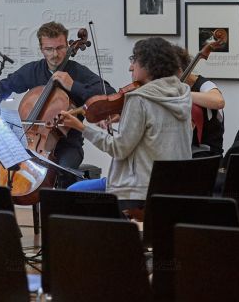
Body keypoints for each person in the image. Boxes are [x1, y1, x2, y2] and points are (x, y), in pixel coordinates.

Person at [60, 37, 192, 211]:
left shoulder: (139, 99)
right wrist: (124, 118)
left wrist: (81, 128)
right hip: (175, 186)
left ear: (149, 65)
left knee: (71, 194)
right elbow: (155, 133)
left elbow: (118, 149)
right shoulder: (182, 93)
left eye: (134, 60)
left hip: (139, 190)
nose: (131, 67)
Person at [0, 21, 114, 186]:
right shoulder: (33, 70)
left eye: (60, 48)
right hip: (27, 141)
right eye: (49, 49)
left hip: (67, 145)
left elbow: (108, 92)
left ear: (67, 46)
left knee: (64, 173)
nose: (55, 54)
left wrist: (73, 85)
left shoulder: (77, 72)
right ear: (41, 49)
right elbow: (2, 88)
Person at [174, 45, 226, 156]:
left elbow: (219, 101)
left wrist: (185, 94)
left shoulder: (204, 85)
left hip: (206, 154)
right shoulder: (173, 88)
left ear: (179, 71)